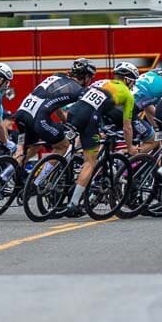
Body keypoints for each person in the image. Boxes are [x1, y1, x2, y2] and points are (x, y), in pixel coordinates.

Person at [62, 62, 139, 217]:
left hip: (74, 112)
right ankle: (73, 203)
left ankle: (66, 163)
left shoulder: (102, 82)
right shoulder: (127, 95)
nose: (133, 85)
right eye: (133, 81)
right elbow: (127, 127)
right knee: (90, 162)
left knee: (78, 145)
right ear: (128, 80)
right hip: (90, 117)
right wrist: (130, 147)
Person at [14, 58, 96, 161]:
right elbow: (82, 113)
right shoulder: (79, 90)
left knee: (31, 147)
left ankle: (6, 175)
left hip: (21, 114)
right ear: (86, 76)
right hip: (38, 119)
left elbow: (54, 104)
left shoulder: (57, 76)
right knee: (63, 147)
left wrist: (64, 119)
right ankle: (42, 177)